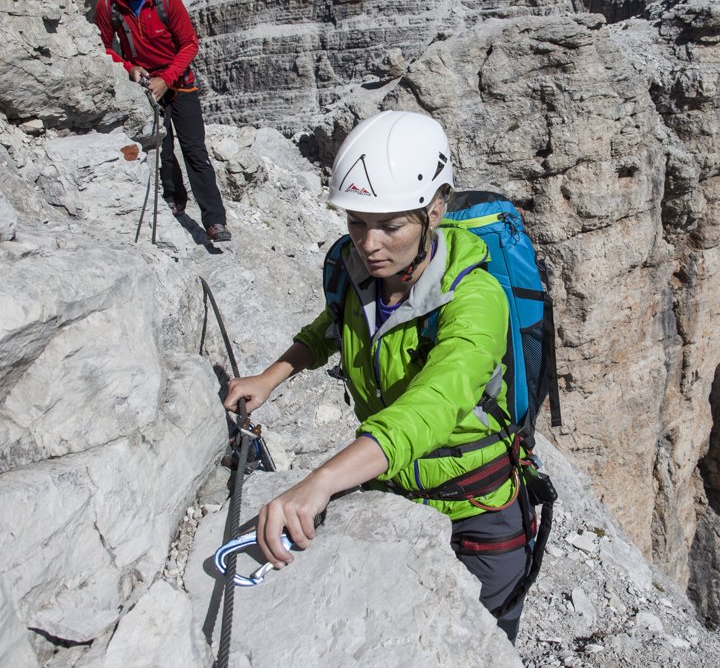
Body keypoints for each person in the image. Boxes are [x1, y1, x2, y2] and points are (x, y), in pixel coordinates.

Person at [223, 110, 530, 641]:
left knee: (479, 640)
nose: (369, 245)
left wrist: (320, 482)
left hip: (478, 512)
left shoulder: (476, 299)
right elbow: (330, 327)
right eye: (357, 222)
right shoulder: (359, 272)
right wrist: (271, 377)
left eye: (390, 225)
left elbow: (433, 405)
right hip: (394, 488)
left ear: (435, 208)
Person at [93, 0, 231, 242]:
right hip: (146, 85)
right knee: (163, 150)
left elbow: (189, 44)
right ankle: (174, 199)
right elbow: (101, 45)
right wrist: (128, 67)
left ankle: (215, 220)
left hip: (179, 84)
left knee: (194, 150)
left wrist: (166, 78)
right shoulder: (108, 6)